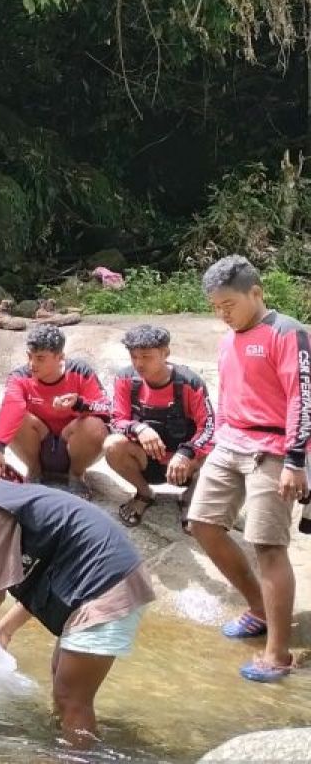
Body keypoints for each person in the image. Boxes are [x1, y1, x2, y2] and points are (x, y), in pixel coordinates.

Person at [0, 448, 154, 748]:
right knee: (62, 683)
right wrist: (5, 629)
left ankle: (80, 754)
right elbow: (39, 570)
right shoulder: (9, 496)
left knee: (72, 699)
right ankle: (70, 745)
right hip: (110, 580)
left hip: (105, 586)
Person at [186, 255, 309, 683]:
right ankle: (258, 607)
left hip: (274, 449)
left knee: (268, 545)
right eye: (216, 307)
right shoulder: (227, 340)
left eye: (229, 305)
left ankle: (278, 654)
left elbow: (303, 400)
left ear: (256, 293)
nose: (223, 314)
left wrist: (296, 460)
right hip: (230, 443)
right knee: (202, 523)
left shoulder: (287, 332)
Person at [104, 324, 215, 529]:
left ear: (165, 353)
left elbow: (209, 426)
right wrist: (139, 428)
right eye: (134, 357)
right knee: (112, 444)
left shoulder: (189, 382)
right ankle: (144, 493)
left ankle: (190, 498)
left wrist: (186, 452)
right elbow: (116, 420)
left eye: (146, 357)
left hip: (186, 466)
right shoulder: (125, 379)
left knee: (221, 447)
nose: (139, 363)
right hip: (147, 462)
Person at [0, 324, 110, 496]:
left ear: (60, 357)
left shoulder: (81, 372)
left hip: (75, 449)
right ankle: (35, 473)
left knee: (95, 425)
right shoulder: (19, 377)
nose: (32, 364)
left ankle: (76, 475)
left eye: (40, 358)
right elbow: (10, 408)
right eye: (29, 357)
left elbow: (108, 411)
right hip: (38, 447)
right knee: (17, 417)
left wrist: (80, 404)